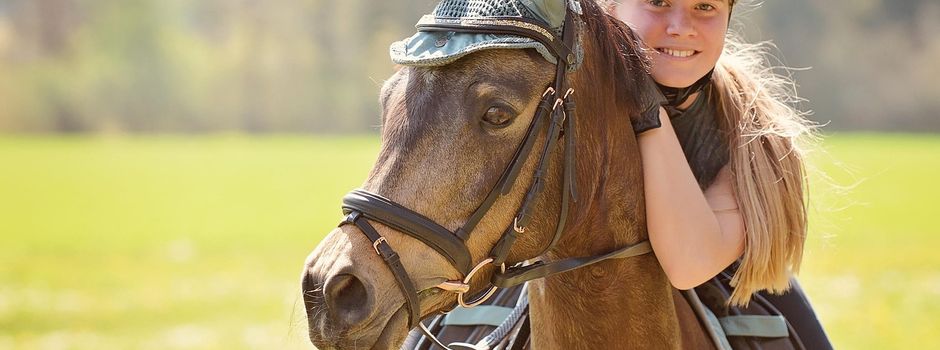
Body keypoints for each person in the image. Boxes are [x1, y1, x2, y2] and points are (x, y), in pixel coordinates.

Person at [611, 0, 833, 348]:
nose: (682, 26)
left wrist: (644, 104)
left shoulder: (756, 138)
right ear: (609, 9)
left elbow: (688, 263)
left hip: (732, 291)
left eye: (704, 6)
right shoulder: (559, 97)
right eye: (657, 2)